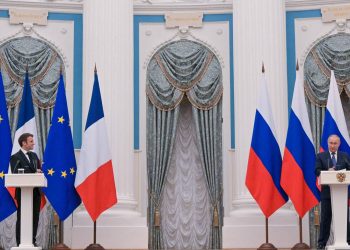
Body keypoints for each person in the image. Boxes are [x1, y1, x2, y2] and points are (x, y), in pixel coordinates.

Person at [315, 134, 350, 249]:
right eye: (331, 143)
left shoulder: (345, 156)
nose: (333, 145)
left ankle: (347, 241)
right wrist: (327, 171)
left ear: (339, 144)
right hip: (327, 193)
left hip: (342, 193)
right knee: (326, 218)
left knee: (344, 218)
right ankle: (322, 243)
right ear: (327, 143)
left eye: (335, 143)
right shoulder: (321, 156)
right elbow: (316, 171)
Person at [10, 133, 42, 247]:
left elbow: (39, 170)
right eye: (31, 141)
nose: (33, 143)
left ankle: (32, 241)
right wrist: (34, 173)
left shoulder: (34, 156)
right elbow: (16, 173)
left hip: (36, 192)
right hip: (23, 193)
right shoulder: (15, 157)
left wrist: (38, 173)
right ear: (24, 143)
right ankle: (20, 242)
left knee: (35, 217)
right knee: (22, 217)